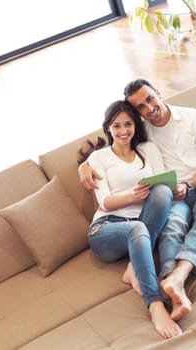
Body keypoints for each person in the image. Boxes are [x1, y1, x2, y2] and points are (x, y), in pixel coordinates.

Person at [78, 79, 196, 322]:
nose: (149, 108)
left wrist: (186, 185)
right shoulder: (143, 133)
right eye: (141, 107)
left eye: (150, 99)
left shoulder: (193, 118)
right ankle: (169, 284)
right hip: (172, 195)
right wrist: (84, 166)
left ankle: (178, 277)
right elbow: (114, 149)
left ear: (158, 93)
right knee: (171, 228)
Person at [78, 100, 182, 338]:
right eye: (117, 126)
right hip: (107, 229)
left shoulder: (149, 150)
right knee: (136, 228)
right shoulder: (98, 158)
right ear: (108, 128)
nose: (123, 131)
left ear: (136, 124)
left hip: (143, 227)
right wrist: (131, 196)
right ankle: (155, 305)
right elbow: (104, 201)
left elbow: (161, 184)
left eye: (128, 124)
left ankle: (133, 267)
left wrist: (170, 189)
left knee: (163, 192)